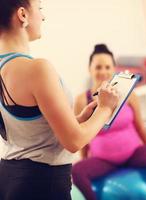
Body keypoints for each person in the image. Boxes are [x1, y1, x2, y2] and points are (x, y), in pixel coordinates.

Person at [0, 1, 120, 200]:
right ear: (23, 15)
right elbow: (74, 141)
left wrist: (79, 119)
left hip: (9, 178)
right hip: (42, 184)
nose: (43, 16)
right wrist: (105, 108)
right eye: (40, 8)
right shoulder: (37, 69)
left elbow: (29, 129)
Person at [71, 44, 146, 200]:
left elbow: (140, 127)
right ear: (89, 69)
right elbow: (82, 136)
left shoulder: (129, 95)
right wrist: (85, 159)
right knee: (77, 171)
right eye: (98, 67)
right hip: (103, 161)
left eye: (107, 67)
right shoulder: (82, 100)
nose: (103, 71)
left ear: (114, 69)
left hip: (133, 154)